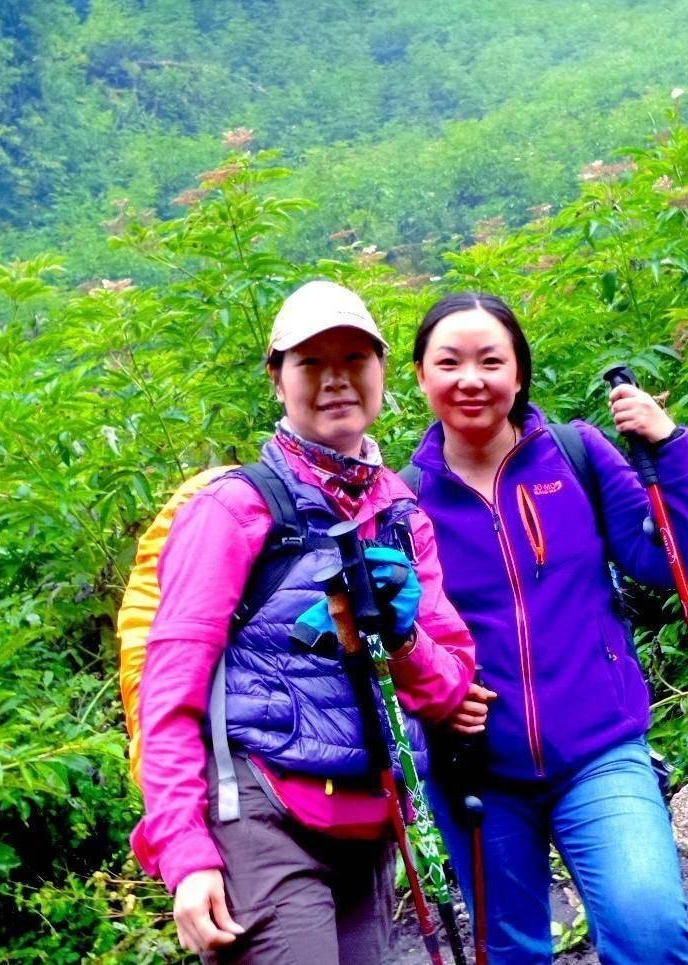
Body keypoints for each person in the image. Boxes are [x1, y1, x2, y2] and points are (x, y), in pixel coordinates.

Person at [131, 280, 489, 964]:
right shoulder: (233, 511)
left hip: (368, 820)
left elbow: (449, 689)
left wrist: (400, 635)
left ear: (384, 371)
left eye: (355, 359)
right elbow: (169, 693)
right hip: (262, 814)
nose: (336, 381)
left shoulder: (400, 512)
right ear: (277, 378)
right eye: (310, 363)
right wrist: (185, 850)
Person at [407, 292, 688, 965]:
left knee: (650, 931)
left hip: (598, 748)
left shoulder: (577, 455)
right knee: (512, 952)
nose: (471, 378)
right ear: (422, 376)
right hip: (476, 768)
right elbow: (394, 638)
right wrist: (432, 696)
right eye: (448, 361)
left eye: (491, 359)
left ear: (519, 373)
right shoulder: (404, 501)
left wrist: (669, 448)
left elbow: (670, 562)